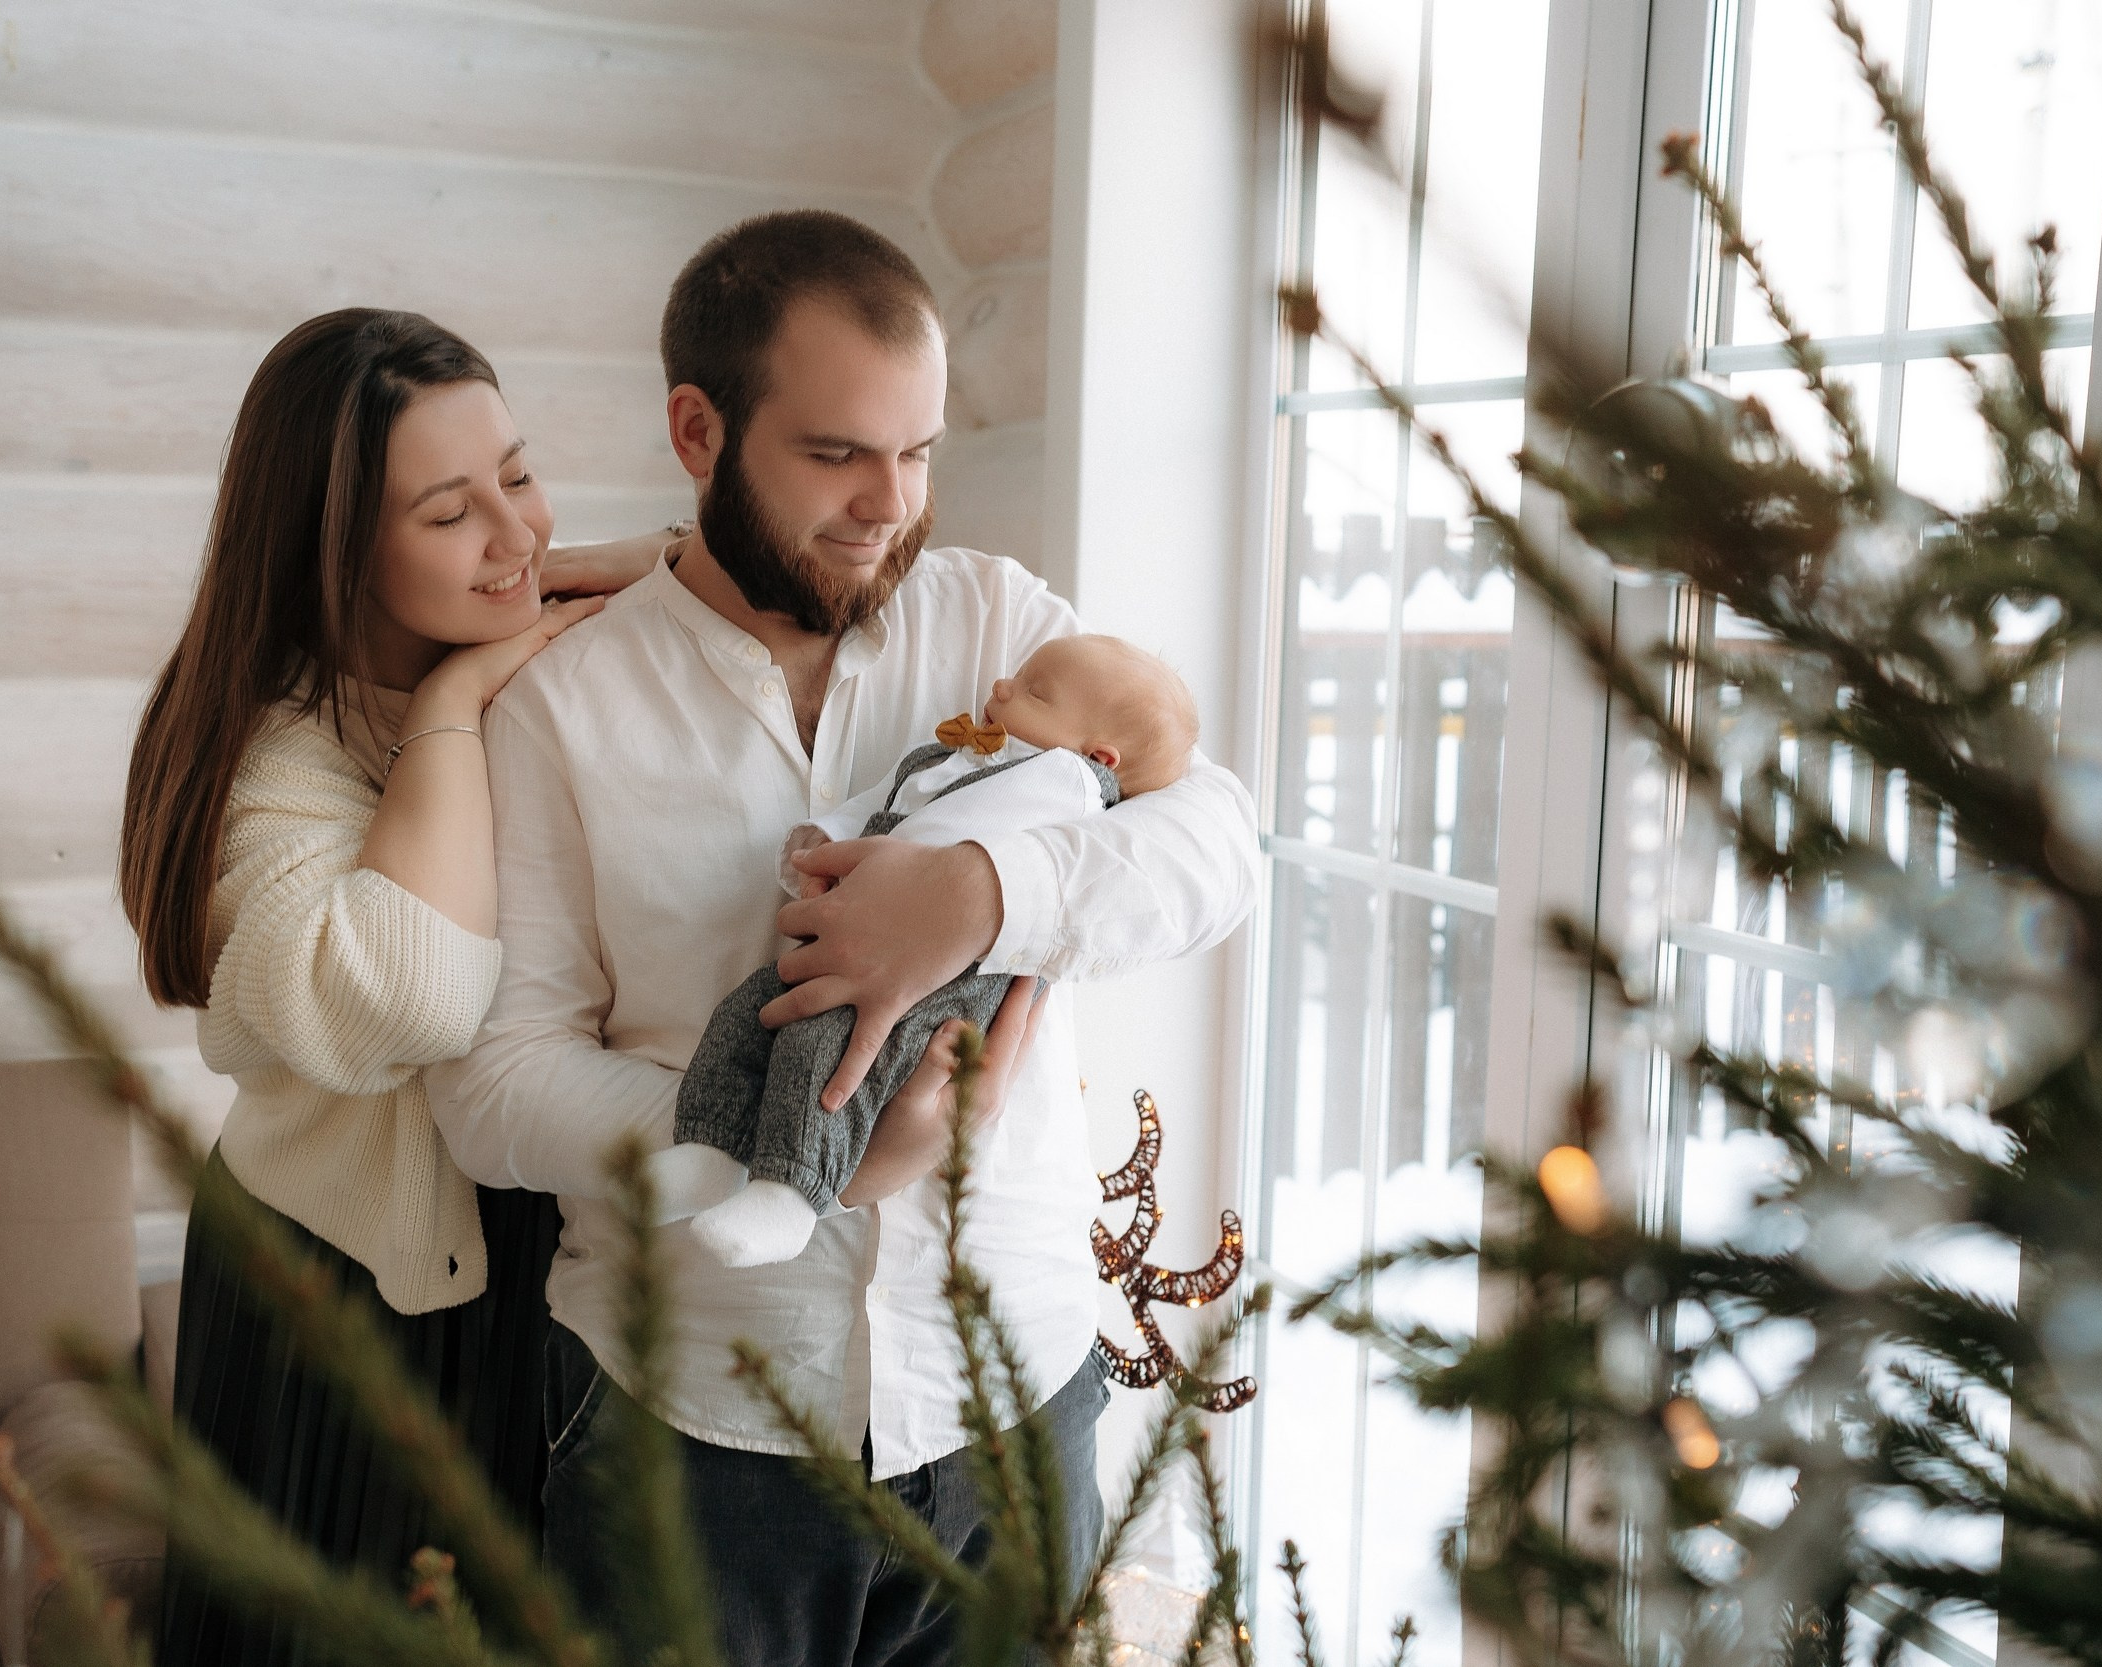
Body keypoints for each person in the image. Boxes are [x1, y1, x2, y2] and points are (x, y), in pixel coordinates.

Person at [428, 210, 1259, 1664]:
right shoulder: (563, 707)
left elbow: (1218, 846)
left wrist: (987, 896)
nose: (892, 501)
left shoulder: (1000, 620)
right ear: (699, 428)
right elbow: (494, 1081)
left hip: (1016, 1410)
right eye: (836, 454)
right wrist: (769, 1152)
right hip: (694, 1431)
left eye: (920, 450)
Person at [118, 306, 656, 1664]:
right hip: (350, 1289)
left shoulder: (540, 649)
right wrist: (452, 701)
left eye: (520, 476)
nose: (518, 535)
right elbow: (405, 1002)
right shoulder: (277, 758)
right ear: (337, 546)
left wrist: (559, 602)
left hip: (539, 1265)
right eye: (449, 512)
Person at [652, 634, 1204, 1268]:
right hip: (854, 926)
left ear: (1097, 754)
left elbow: (1187, 853)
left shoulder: (1070, 782)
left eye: (1034, 692)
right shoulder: (947, 754)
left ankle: (791, 1190)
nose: (1002, 688)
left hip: (953, 974)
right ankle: (709, 1146)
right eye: (1014, 676)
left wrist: (921, 893)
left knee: (824, 1048)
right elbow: (881, 803)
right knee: (750, 1010)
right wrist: (822, 845)